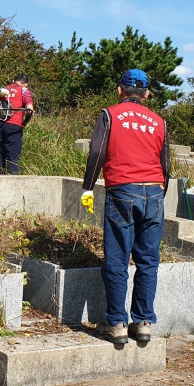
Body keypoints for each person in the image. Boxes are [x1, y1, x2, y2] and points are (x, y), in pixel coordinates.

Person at [80, 68, 170, 345]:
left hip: (123, 190)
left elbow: (97, 151)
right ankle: (143, 323)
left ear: (120, 90)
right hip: (154, 191)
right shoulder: (159, 121)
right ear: (146, 93)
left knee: (118, 259)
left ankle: (117, 324)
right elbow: (165, 162)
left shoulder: (110, 114)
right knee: (148, 261)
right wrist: (160, 191)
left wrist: (88, 186)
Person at [0, 74, 34, 174]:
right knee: (12, 157)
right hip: (13, 126)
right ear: (26, 84)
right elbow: (30, 110)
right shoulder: (23, 90)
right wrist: (24, 124)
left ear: (14, 80)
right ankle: (12, 182)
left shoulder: (3, 89)